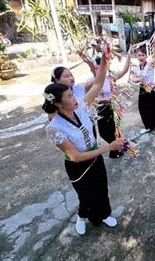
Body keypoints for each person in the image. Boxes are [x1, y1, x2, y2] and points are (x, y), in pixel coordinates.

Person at [42, 45, 124, 235]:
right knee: (86, 195)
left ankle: (104, 214)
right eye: (70, 96)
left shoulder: (80, 106)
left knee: (101, 189)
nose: (75, 97)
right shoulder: (54, 127)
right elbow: (76, 156)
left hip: (95, 158)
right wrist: (109, 147)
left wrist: (104, 59)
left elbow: (98, 83)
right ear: (58, 103)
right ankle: (82, 216)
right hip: (78, 166)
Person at [78, 46, 134, 158]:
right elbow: (95, 80)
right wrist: (88, 62)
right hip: (99, 109)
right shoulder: (91, 82)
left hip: (112, 108)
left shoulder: (111, 77)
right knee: (103, 133)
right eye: (97, 67)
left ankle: (117, 149)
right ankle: (119, 146)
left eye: (101, 66)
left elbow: (125, 70)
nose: (100, 69)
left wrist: (129, 55)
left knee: (114, 131)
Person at [129, 41, 155, 134]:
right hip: (142, 89)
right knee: (142, 108)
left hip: (151, 88)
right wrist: (138, 80)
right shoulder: (136, 67)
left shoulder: (150, 65)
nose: (141, 57)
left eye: (142, 55)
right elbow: (133, 79)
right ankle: (148, 126)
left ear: (146, 56)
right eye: (139, 55)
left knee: (154, 108)